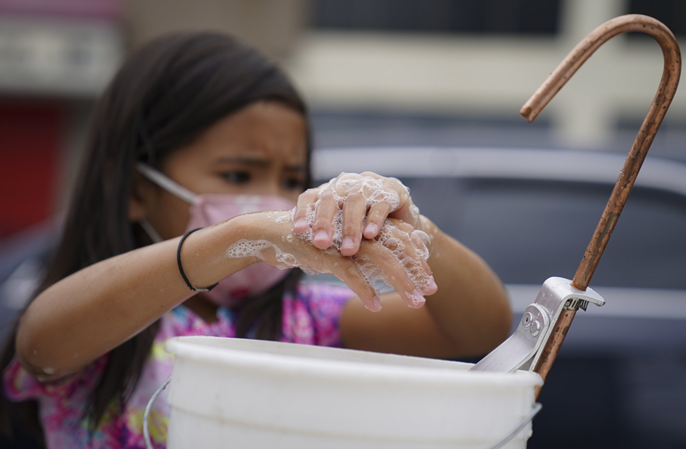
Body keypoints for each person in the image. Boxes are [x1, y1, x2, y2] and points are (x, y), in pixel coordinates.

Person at [0, 32, 511, 449]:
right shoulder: (108, 317)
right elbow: (41, 344)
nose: (271, 200)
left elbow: (479, 331)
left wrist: (418, 230)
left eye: (290, 180)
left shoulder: (305, 318)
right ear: (136, 189)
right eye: (239, 176)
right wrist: (234, 238)